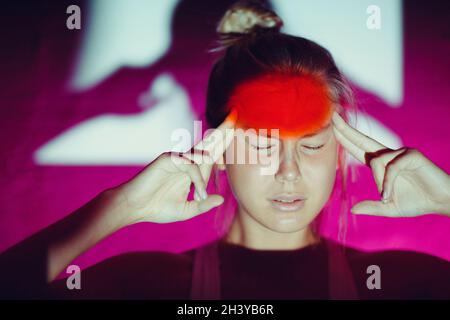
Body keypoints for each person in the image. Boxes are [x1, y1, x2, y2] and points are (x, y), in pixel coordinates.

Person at [1, 0, 449, 300]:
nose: (288, 172)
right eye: (261, 144)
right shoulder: (154, 286)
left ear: (340, 149)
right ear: (218, 145)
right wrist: (118, 207)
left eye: (312, 144)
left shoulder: (402, 283)